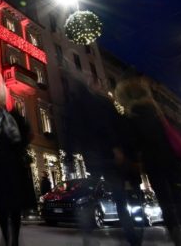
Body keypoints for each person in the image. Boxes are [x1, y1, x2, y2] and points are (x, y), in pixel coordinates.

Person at [116, 72, 181, 246]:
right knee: (179, 199)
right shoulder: (158, 113)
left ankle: (177, 232)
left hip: (154, 162)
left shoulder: (131, 118)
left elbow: (132, 143)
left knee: (165, 200)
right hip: (174, 161)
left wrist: (128, 162)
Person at [66, 76, 143, 246]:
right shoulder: (103, 103)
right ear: (96, 86)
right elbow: (110, 127)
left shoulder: (76, 104)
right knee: (119, 196)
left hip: (91, 155)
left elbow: (70, 130)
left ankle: (87, 226)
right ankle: (131, 237)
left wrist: (70, 156)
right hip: (107, 154)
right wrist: (117, 147)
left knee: (91, 187)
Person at [0, 82, 31, 246]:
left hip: (14, 168)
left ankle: (14, 240)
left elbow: (25, 137)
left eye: (1, 95)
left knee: (14, 208)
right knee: (2, 208)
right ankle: (7, 236)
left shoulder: (14, 116)